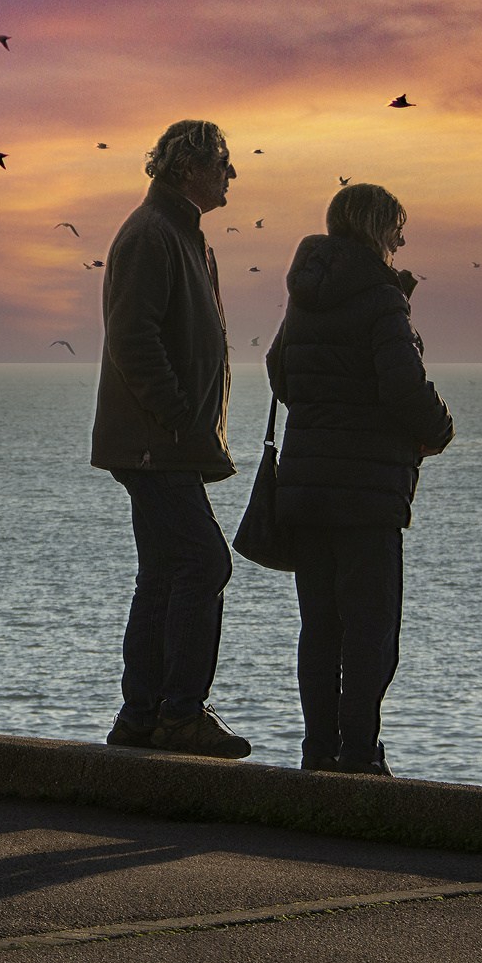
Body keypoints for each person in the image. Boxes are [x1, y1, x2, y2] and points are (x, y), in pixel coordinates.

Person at [266, 183, 453, 775]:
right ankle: (358, 754)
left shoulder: (304, 293)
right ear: (378, 230)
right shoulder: (381, 296)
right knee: (371, 631)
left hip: (307, 487)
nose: (402, 241)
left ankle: (317, 750)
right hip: (367, 493)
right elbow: (402, 387)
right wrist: (439, 427)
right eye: (398, 228)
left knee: (319, 626)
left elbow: (280, 371)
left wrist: (325, 411)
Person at [90, 119, 250, 759]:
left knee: (162, 574)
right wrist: (180, 416)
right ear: (190, 168)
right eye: (223, 164)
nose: (231, 175)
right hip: (158, 442)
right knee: (204, 562)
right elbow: (133, 339)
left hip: (164, 441)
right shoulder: (153, 235)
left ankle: (142, 715)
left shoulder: (182, 235)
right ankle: (179, 714)